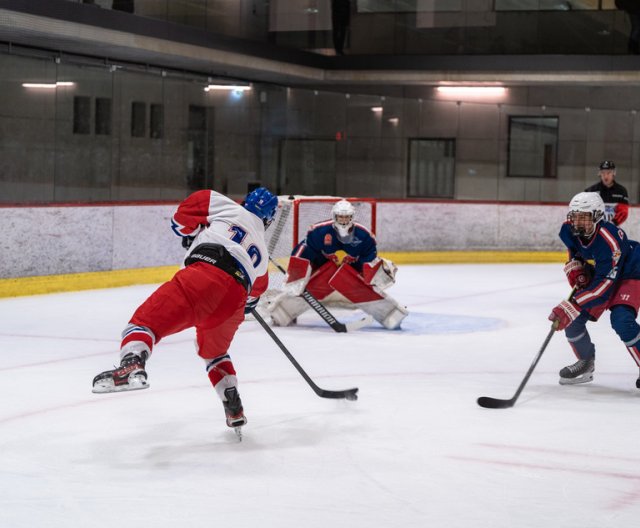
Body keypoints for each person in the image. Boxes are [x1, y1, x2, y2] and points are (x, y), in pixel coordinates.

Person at [92, 187, 278, 432]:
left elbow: (180, 220)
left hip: (203, 276)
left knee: (144, 323)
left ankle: (132, 364)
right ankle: (232, 402)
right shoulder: (263, 255)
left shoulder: (224, 206)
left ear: (244, 202)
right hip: (233, 301)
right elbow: (250, 304)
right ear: (269, 218)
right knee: (215, 353)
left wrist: (191, 233)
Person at [268, 199, 408, 330]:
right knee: (308, 285)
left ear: (352, 217)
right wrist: (296, 276)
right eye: (340, 217)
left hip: (350, 273)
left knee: (353, 278)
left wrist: (374, 275)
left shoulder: (364, 236)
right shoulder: (319, 232)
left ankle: (391, 315)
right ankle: (282, 313)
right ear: (334, 216)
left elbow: (369, 260)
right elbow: (303, 253)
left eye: (346, 217)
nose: (343, 220)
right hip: (323, 271)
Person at [548, 191, 640, 388]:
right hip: (604, 273)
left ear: (597, 216)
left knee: (622, 320)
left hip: (630, 272)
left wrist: (571, 305)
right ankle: (585, 362)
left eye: (584, 217)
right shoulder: (568, 229)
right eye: (575, 217)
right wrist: (577, 267)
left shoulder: (610, 240)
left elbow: (604, 288)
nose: (578, 222)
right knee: (573, 321)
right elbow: (575, 252)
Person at [585, 160, 629, 226]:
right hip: (595, 228)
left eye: (608, 173)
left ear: (614, 173)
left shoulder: (621, 191)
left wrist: (612, 224)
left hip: (614, 228)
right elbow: (586, 210)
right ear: (599, 173)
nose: (605, 176)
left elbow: (623, 212)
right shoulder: (591, 191)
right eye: (603, 173)